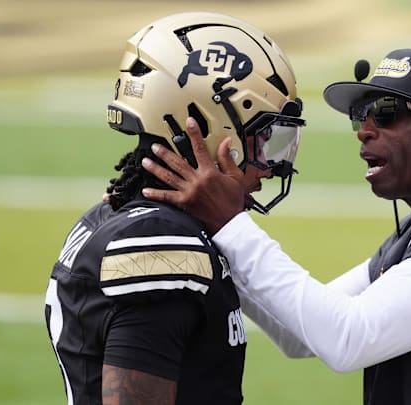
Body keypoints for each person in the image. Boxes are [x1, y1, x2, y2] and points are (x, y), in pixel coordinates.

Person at [142, 46, 411, 404]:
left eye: (384, 113)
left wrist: (230, 223)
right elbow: (301, 337)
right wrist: (210, 232)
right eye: (360, 115)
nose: (364, 131)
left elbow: (348, 339)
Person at [43, 12, 305, 405]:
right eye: (261, 136)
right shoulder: (160, 243)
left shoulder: (112, 215)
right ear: (214, 129)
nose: (268, 164)